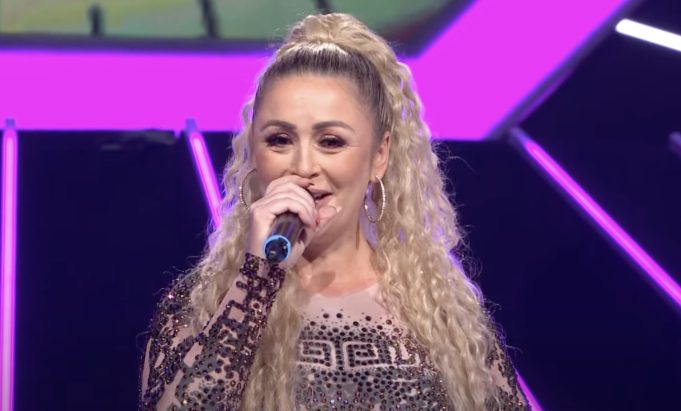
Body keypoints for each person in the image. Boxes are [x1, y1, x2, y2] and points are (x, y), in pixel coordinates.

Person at [139, 12, 529, 411]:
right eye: (280, 140)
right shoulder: (203, 306)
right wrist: (257, 278)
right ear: (254, 150)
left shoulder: (447, 319)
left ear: (379, 156)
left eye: (330, 141)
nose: (303, 166)